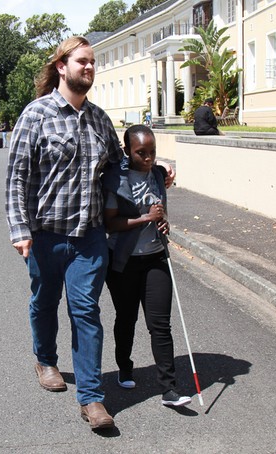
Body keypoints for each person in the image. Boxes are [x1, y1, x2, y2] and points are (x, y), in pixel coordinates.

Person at [5, 36, 127, 431]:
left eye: (93, 62)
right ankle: (45, 359)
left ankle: (92, 398)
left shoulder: (99, 119)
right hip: (45, 235)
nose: (89, 68)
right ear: (62, 66)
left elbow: (120, 167)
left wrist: (158, 172)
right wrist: (20, 229)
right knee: (44, 301)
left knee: (86, 312)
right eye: (82, 62)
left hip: (89, 237)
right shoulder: (35, 115)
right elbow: (17, 178)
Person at [102, 124, 192, 408]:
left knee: (160, 324)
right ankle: (125, 367)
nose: (148, 158)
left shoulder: (158, 174)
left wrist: (163, 222)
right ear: (128, 151)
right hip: (123, 261)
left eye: (152, 152)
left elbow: (161, 210)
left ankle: (169, 389)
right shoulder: (115, 180)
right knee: (126, 318)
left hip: (155, 257)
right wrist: (145, 218)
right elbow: (110, 223)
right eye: (141, 152)